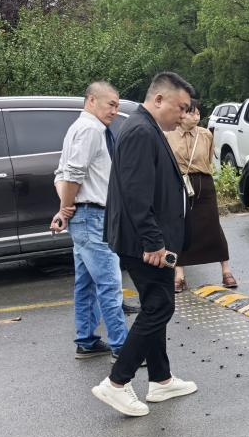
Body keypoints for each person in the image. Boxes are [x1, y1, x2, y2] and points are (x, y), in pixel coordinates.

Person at [93, 71, 199, 418]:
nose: (183, 116)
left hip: (147, 239)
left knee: (157, 304)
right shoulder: (140, 131)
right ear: (159, 99)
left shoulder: (145, 127)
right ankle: (117, 382)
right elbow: (136, 195)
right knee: (159, 307)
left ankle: (161, 379)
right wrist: (154, 243)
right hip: (145, 243)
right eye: (181, 108)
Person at [49, 81, 128, 359]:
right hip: (92, 216)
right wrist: (65, 208)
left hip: (87, 215)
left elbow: (61, 174)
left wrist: (65, 208)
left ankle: (87, 340)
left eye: (117, 106)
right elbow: (71, 174)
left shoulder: (79, 128)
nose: (115, 111)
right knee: (109, 283)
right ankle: (122, 348)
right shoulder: (90, 130)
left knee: (86, 283)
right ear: (92, 100)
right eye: (111, 105)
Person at [166, 100, 238, 294]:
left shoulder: (206, 134)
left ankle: (226, 270)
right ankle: (179, 275)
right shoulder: (168, 134)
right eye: (192, 113)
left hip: (204, 184)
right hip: (180, 184)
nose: (196, 117)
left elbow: (208, 159)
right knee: (180, 228)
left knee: (213, 226)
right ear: (181, 114)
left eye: (198, 113)